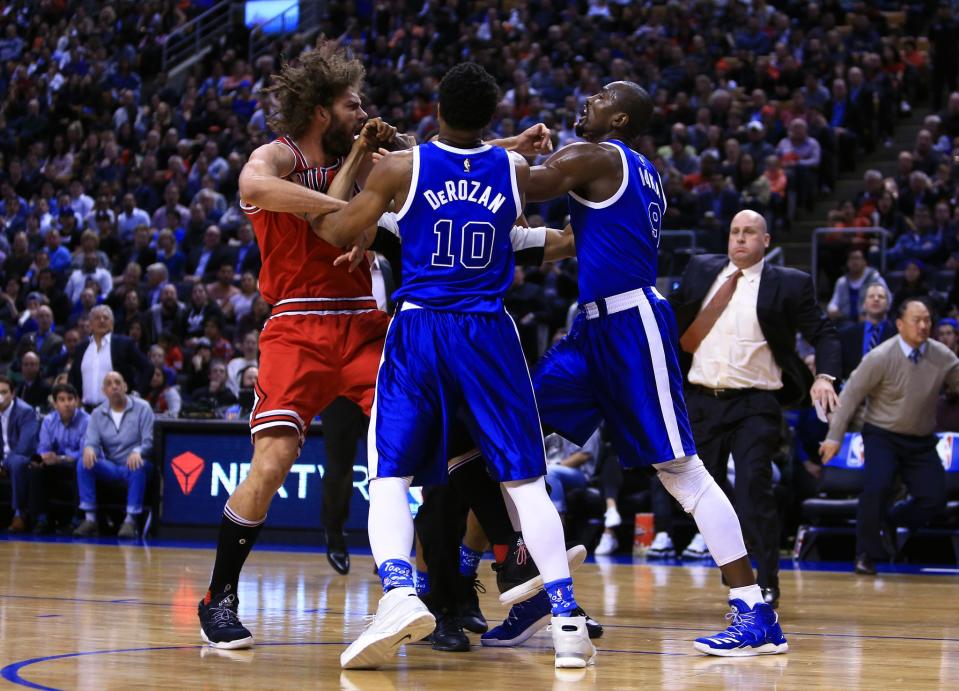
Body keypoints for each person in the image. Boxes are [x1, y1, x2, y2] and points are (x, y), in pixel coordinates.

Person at [313, 63, 592, 670]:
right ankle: (568, 621)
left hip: (420, 328)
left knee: (389, 475)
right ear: (491, 117)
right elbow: (537, 184)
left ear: (436, 107)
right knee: (524, 480)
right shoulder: (513, 170)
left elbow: (332, 228)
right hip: (489, 332)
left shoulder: (399, 167)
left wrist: (353, 166)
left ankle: (397, 592)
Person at [522, 82, 794, 656]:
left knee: (682, 471)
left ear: (618, 118)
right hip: (592, 328)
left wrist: (451, 156)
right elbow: (577, 239)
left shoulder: (598, 154)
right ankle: (515, 577)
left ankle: (754, 610)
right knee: (512, 430)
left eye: (599, 97)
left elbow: (527, 183)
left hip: (629, 324)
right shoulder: (638, 170)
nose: (586, 99)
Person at [196, 43, 396, 651]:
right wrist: (348, 211)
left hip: (363, 320)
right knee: (274, 462)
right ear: (319, 110)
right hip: (298, 323)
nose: (362, 112)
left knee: (423, 434)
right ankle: (220, 597)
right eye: (351, 103)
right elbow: (255, 186)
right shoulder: (276, 155)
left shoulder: (366, 160)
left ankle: (445, 589)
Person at [669, 210, 841, 610]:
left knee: (753, 488)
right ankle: (734, 567)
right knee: (699, 495)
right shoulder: (700, 269)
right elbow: (669, 317)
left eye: (749, 233)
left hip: (755, 404)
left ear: (766, 240)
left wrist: (825, 376)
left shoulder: (790, 284)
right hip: (700, 402)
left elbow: (823, 332)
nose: (740, 239)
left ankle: (765, 580)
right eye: (734, 232)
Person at [821, 298, 957, 575]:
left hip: (920, 438)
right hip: (882, 434)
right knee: (877, 487)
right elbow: (849, 397)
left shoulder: (943, 356)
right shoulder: (880, 356)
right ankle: (865, 554)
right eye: (916, 320)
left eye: (927, 320)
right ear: (899, 324)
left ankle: (891, 520)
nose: (923, 326)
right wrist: (834, 437)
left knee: (934, 500)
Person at [73, 371, 155, 539]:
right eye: (109, 384)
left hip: (135, 464)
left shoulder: (143, 408)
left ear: (125, 386)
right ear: (104, 391)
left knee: (137, 465)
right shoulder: (97, 413)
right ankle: (90, 519)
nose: (114, 386)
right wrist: (89, 448)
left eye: (118, 382)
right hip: (111, 466)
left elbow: (150, 440)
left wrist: (138, 451)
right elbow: (92, 442)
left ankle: (130, 520)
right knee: (83, 462)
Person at [27, 383, 88, 534]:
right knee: (35, 464)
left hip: (75, 464)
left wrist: (60, 458)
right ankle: (42, 518)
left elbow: (85, 452)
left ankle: (76, 520)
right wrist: (43, 457)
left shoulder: (87, 420)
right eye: (62, 399)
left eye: (70, 399)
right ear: (55, 404)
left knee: (81, 465)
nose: (67, 403)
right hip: (55, 464)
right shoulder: (48, 420)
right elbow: (43, 447)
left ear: (77, 401)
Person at [69, 305, 151, 410]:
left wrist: (137, 393)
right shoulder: (81, 347)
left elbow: (148, 367)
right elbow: (73, 377)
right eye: (97, 318)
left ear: (112, 324)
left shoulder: (124, 344)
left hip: (117, 410)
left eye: (106, 318)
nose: (102, 320)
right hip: (86, 412)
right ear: (90, 324)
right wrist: (74, 398)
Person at [0, 374, 41, 533]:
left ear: (13, 394)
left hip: (20, 456)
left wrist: (3, 464)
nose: (0, 397)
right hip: (2, 459)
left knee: (16, 463)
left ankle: (19, 514)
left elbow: (24, 446)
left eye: (4, 392)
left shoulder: (26, 411)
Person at [838, 283, 897, 380]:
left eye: (881, 297)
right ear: (864, 304)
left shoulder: (897, 334)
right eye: (871, 296)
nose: (876, 299)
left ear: (888, 305)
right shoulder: (847, 334)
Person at [827, 248, 888, 323]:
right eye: (851, 258)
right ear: (847, 262)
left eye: (857, 258)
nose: (854, 262)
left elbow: (887, 299)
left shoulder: (875, 278)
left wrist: (869, 314)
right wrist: (833, 309)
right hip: (845, 321)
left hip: (870, 320)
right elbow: (834, 302)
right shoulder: (842, 282)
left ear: (865, 262)